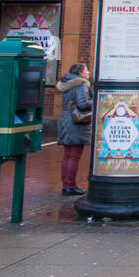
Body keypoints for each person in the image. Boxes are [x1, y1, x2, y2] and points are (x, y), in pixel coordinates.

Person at [55, 63, 92, 195]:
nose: (88, 72)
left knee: (68, 155)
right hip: (76, 122)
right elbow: (83, 104)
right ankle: (70, 186)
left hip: (66, 119)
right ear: (80, 73)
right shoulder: (81, 84)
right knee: (74, 156)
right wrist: (98, 99)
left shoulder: (67, 84)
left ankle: (66, 184)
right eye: (86, 70)